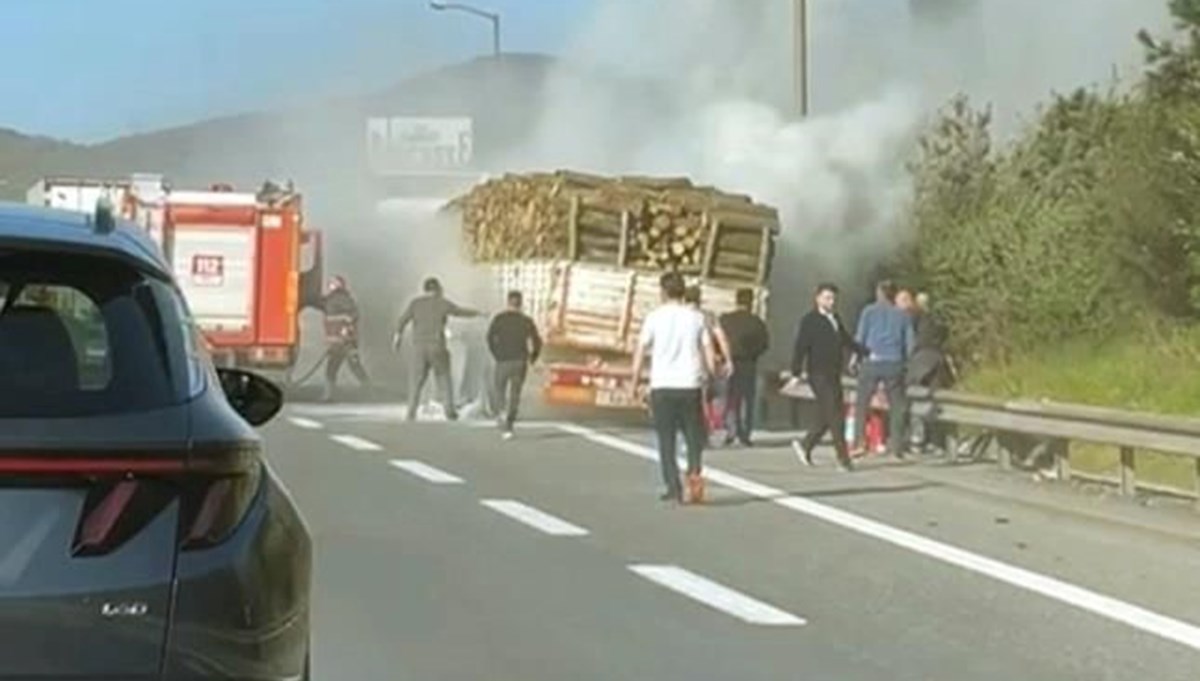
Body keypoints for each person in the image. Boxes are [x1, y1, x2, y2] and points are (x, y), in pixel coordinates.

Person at [631, 272, 718, 504]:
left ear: (663, 292)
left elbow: (640, 351)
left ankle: (673, 486)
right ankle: (694, 477)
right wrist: (710, 376)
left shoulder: (654, 318)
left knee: (666, 439)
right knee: (693, 436)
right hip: (690, 385)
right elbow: (709, 351)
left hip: (662, 385)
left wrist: (635, 381)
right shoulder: (696, 318)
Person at [788, 283, 864, 471]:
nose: (831, 302)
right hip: (818, 373)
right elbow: (800, 347)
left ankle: (806, 445)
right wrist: (796, 372)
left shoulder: (835, 318)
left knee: (829, 413)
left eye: (833, 298)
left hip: (834, 373)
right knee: (835, 415)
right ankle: (843, 459)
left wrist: (867, 352)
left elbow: (846, 340)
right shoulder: (810, 320)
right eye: (827, 298)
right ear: (818, 298)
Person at [393, 277, 483, 422]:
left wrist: (397, 337)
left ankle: (411, 413)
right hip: (437, 346)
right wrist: (478, 313)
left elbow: (402, 320)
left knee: (416, 381)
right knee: (443, 379)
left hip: (419, 348)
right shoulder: (442, 303)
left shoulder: (416, 304)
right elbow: (459, 311)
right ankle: (449, 412)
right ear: (438, 289)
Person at [853, 279, 915, 458]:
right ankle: (897, 447)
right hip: (894, 363)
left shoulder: (869, 311)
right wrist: (905, 362)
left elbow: (860, 337)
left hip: (872, 361)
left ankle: (861, 443)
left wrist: (855, 358)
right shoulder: (902, 315)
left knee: (862, 403)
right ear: (893, 295)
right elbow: (910, 343)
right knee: (897, 405)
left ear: (878, 293)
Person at [486, 290, 543, 440]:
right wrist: (533, 358)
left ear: (508, 302)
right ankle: (509, 424)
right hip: (519, 361)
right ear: (521, 303)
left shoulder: (499, 319)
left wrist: (496, 354)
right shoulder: (526, 321)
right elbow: (537, 341)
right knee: (515, 393)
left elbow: (490, 338)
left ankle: (501, 413)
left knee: (499, 389)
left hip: (503, 360)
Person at [718, 288, 769, 446]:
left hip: (729, 362)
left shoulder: (725, 320)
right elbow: (764, 344)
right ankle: (745, 433)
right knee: (747, 398)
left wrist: (721, 356)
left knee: (730, 396)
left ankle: (730, 430)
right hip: (748, 363)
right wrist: (753, 354)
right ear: (751, 302)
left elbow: (718, 340)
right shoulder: (757, 322)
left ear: (736, 300)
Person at [684, 285, 731, 442]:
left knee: (691, 401)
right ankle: (707, 430)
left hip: (684, 363)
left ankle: (693, 434)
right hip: (704, 362)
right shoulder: (708, 316)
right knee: (706, 398)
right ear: (700, 299)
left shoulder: (681, 315)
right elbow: (721, 338)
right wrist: (727, 359)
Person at [321, 275, 370, 402]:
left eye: (332, 283)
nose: (329, 285)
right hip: (337, 343)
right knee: (337, 368)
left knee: (348, 367)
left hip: (346, 342)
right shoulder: (330, 300)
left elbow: (353, 315)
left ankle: (368, 391)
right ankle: (329, 396)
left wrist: (346, 330)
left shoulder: (342, 299)